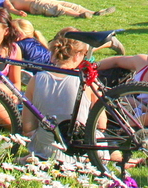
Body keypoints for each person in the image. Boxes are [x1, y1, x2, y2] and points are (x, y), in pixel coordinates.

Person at [23, 32, 97, 160]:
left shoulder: (35, 80)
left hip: (45, 150)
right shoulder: (88, 82)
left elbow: (28, 126)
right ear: (78, 55)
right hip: (81, 152)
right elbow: (101, 124)